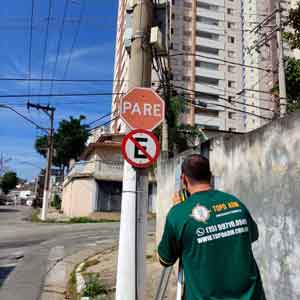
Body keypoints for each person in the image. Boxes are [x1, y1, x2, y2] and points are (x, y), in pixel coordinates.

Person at [158, 154, 266, 300]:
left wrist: (180, 210)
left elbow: (165, 259)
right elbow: (252, 236)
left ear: (183, 179)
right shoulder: (236, 204)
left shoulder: (178, 214)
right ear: (210, 176)